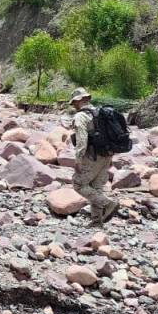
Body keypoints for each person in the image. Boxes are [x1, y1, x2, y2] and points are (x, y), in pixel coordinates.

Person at [70, 88, 119, 226]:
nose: (73, 105)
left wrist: (78, 159)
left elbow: (81, 140)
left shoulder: (81, 116)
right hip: (106, 154)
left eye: (74, 102)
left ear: (79, 100)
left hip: (92, 156)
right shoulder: (100, 113)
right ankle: (97, 221)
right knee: (96, 187)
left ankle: (108, 204)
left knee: (78, 184)